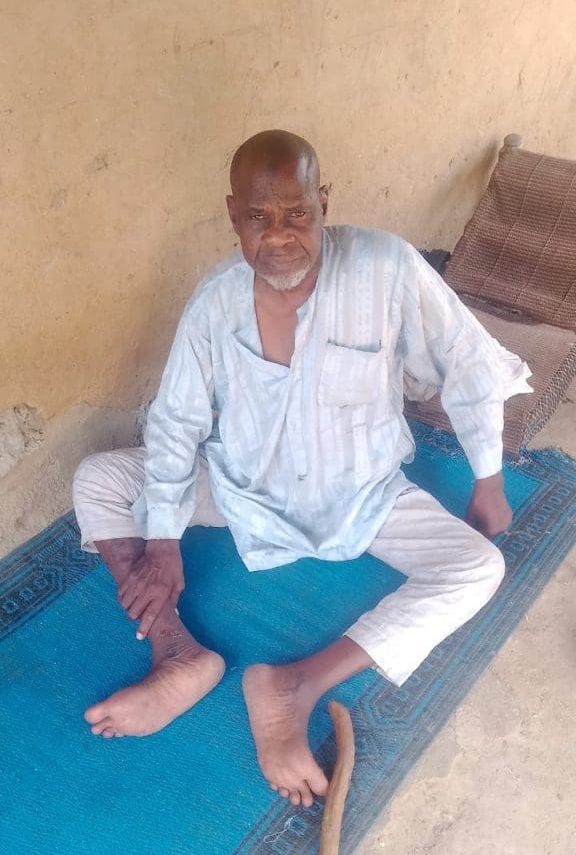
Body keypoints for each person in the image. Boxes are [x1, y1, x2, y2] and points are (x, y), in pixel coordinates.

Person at [73, 129, 531, 808]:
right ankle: (176, 652)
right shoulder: (214, 302)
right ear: (234, 215)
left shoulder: (386, 267)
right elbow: (176, 421)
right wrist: (162, 542)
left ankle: (297, 685)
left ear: (324, 203)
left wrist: (487, 478)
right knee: (97, 479)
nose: (278, 235)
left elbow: (466, 357)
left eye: (296, 213)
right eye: (258, 217)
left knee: (478, 570)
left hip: (366, 495)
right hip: (246, 490)